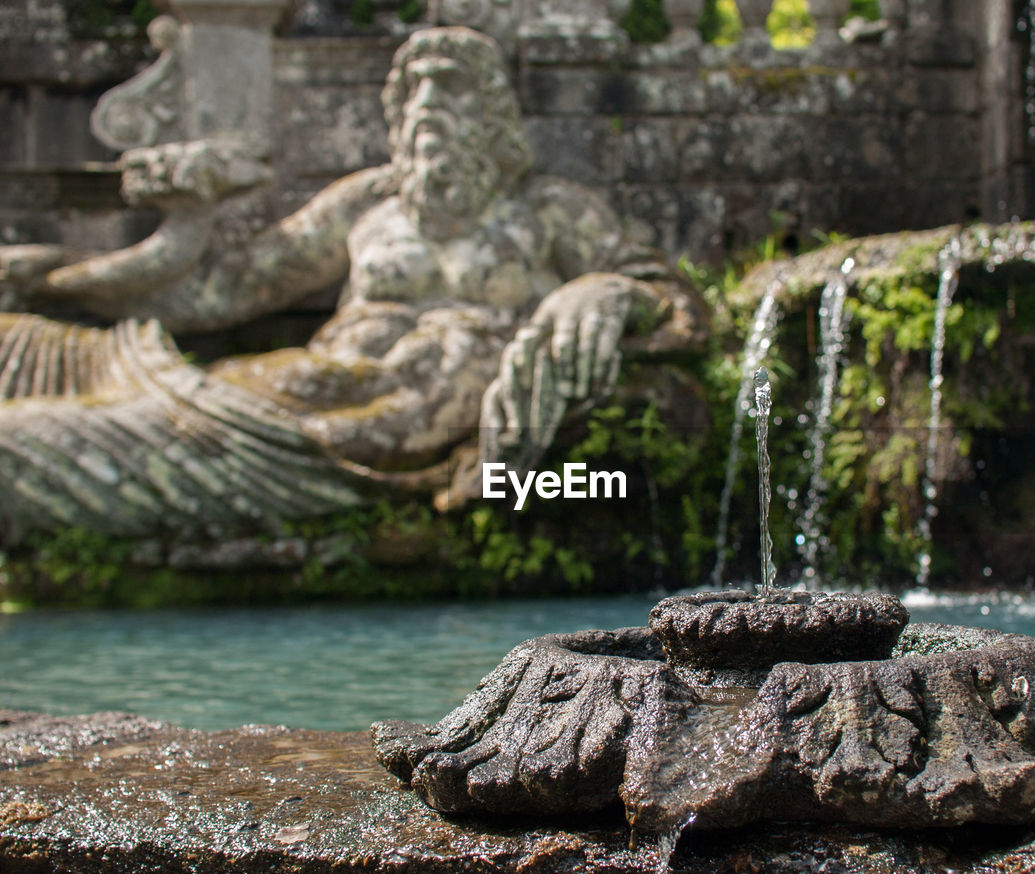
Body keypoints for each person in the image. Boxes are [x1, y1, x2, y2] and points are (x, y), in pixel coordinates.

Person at [0, 27, 706, 544]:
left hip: (393, 435)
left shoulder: (549, 209)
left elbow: (685, 312)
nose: (427, 103)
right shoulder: (367, 204)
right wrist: (113, 255)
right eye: (410, 91)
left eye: (451, 88)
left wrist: (607, 289)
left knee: (30, 449)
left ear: (494, 115)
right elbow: (213, 296)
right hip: (276, 406)